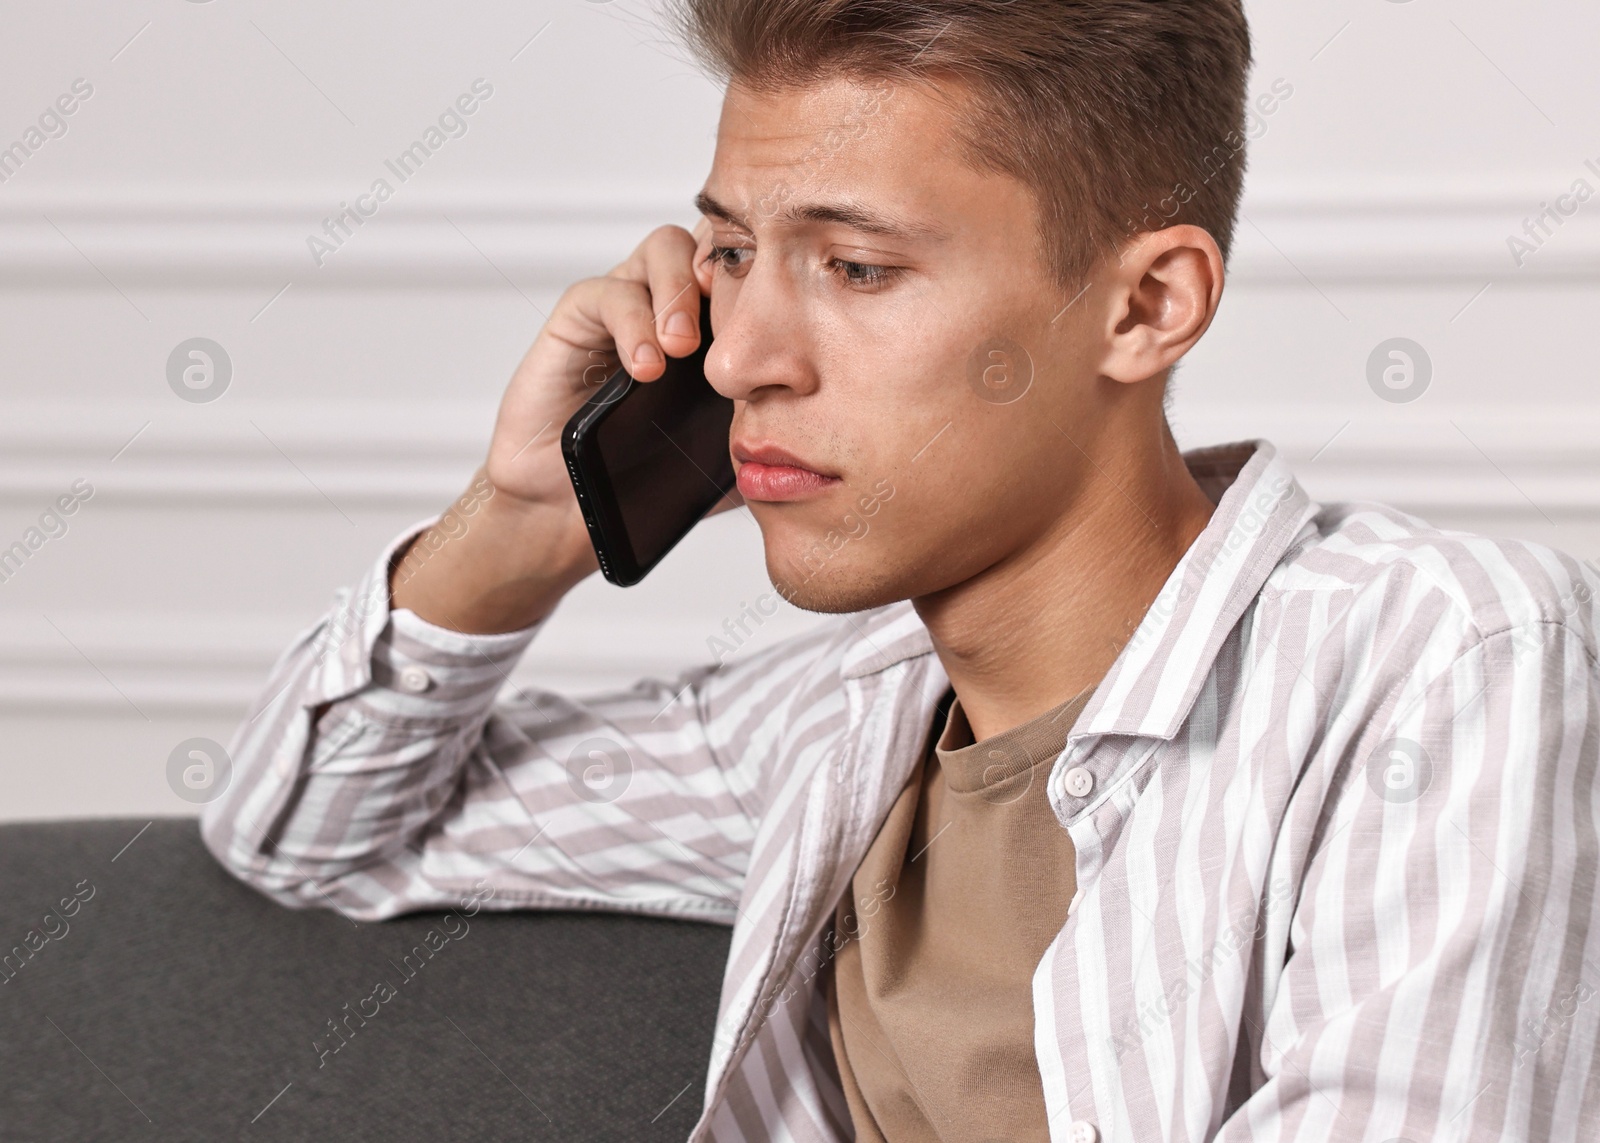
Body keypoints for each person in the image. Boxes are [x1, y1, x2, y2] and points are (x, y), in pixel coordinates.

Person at [202, 1, 1600, 1139]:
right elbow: (314, 829)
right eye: (735, 253)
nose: (741, 355)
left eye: (857, 268)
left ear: (1146, 306)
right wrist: (518, 522)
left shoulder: (1445, 660)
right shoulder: (832, 724)